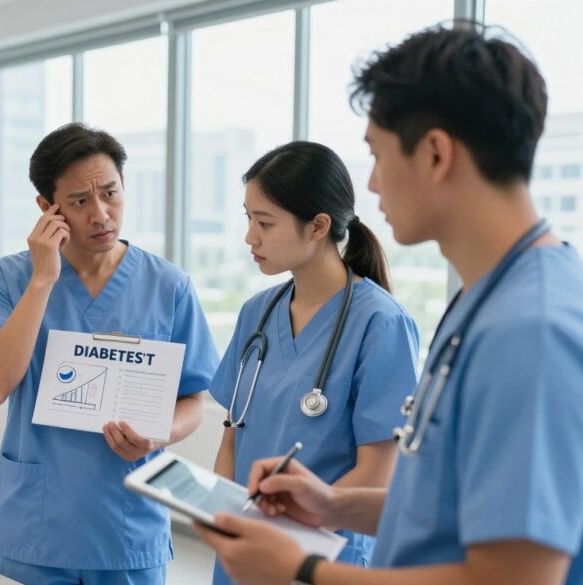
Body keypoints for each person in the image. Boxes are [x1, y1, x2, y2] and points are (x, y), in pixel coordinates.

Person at [195, 24, 583, 585]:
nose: (372, 185)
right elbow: (440, 507)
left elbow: (513, 577)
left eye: (377, 154)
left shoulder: (529, 329)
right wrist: (331, 505)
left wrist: (303, 568)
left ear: (434, 153)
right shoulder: (487, 302)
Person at [0, 122, 220, 584]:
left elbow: (193, 400)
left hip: (126, 524)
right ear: (47, 208)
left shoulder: (169, 285)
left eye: (111, 194)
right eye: (80, 201)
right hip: (36, 526)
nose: (101, 214)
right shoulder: (9, 279)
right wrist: (43, 280)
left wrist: (159, 434)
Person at [208, 141, 418, 582]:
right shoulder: (257, 313)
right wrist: (223, 517)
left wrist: (278, 534)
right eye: (249, 219)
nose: (250, 236)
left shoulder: (380, 324)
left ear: (318, 226)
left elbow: (377, 475)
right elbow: (232, 437)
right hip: (247, 550)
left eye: (264, 222)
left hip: (324, 556)